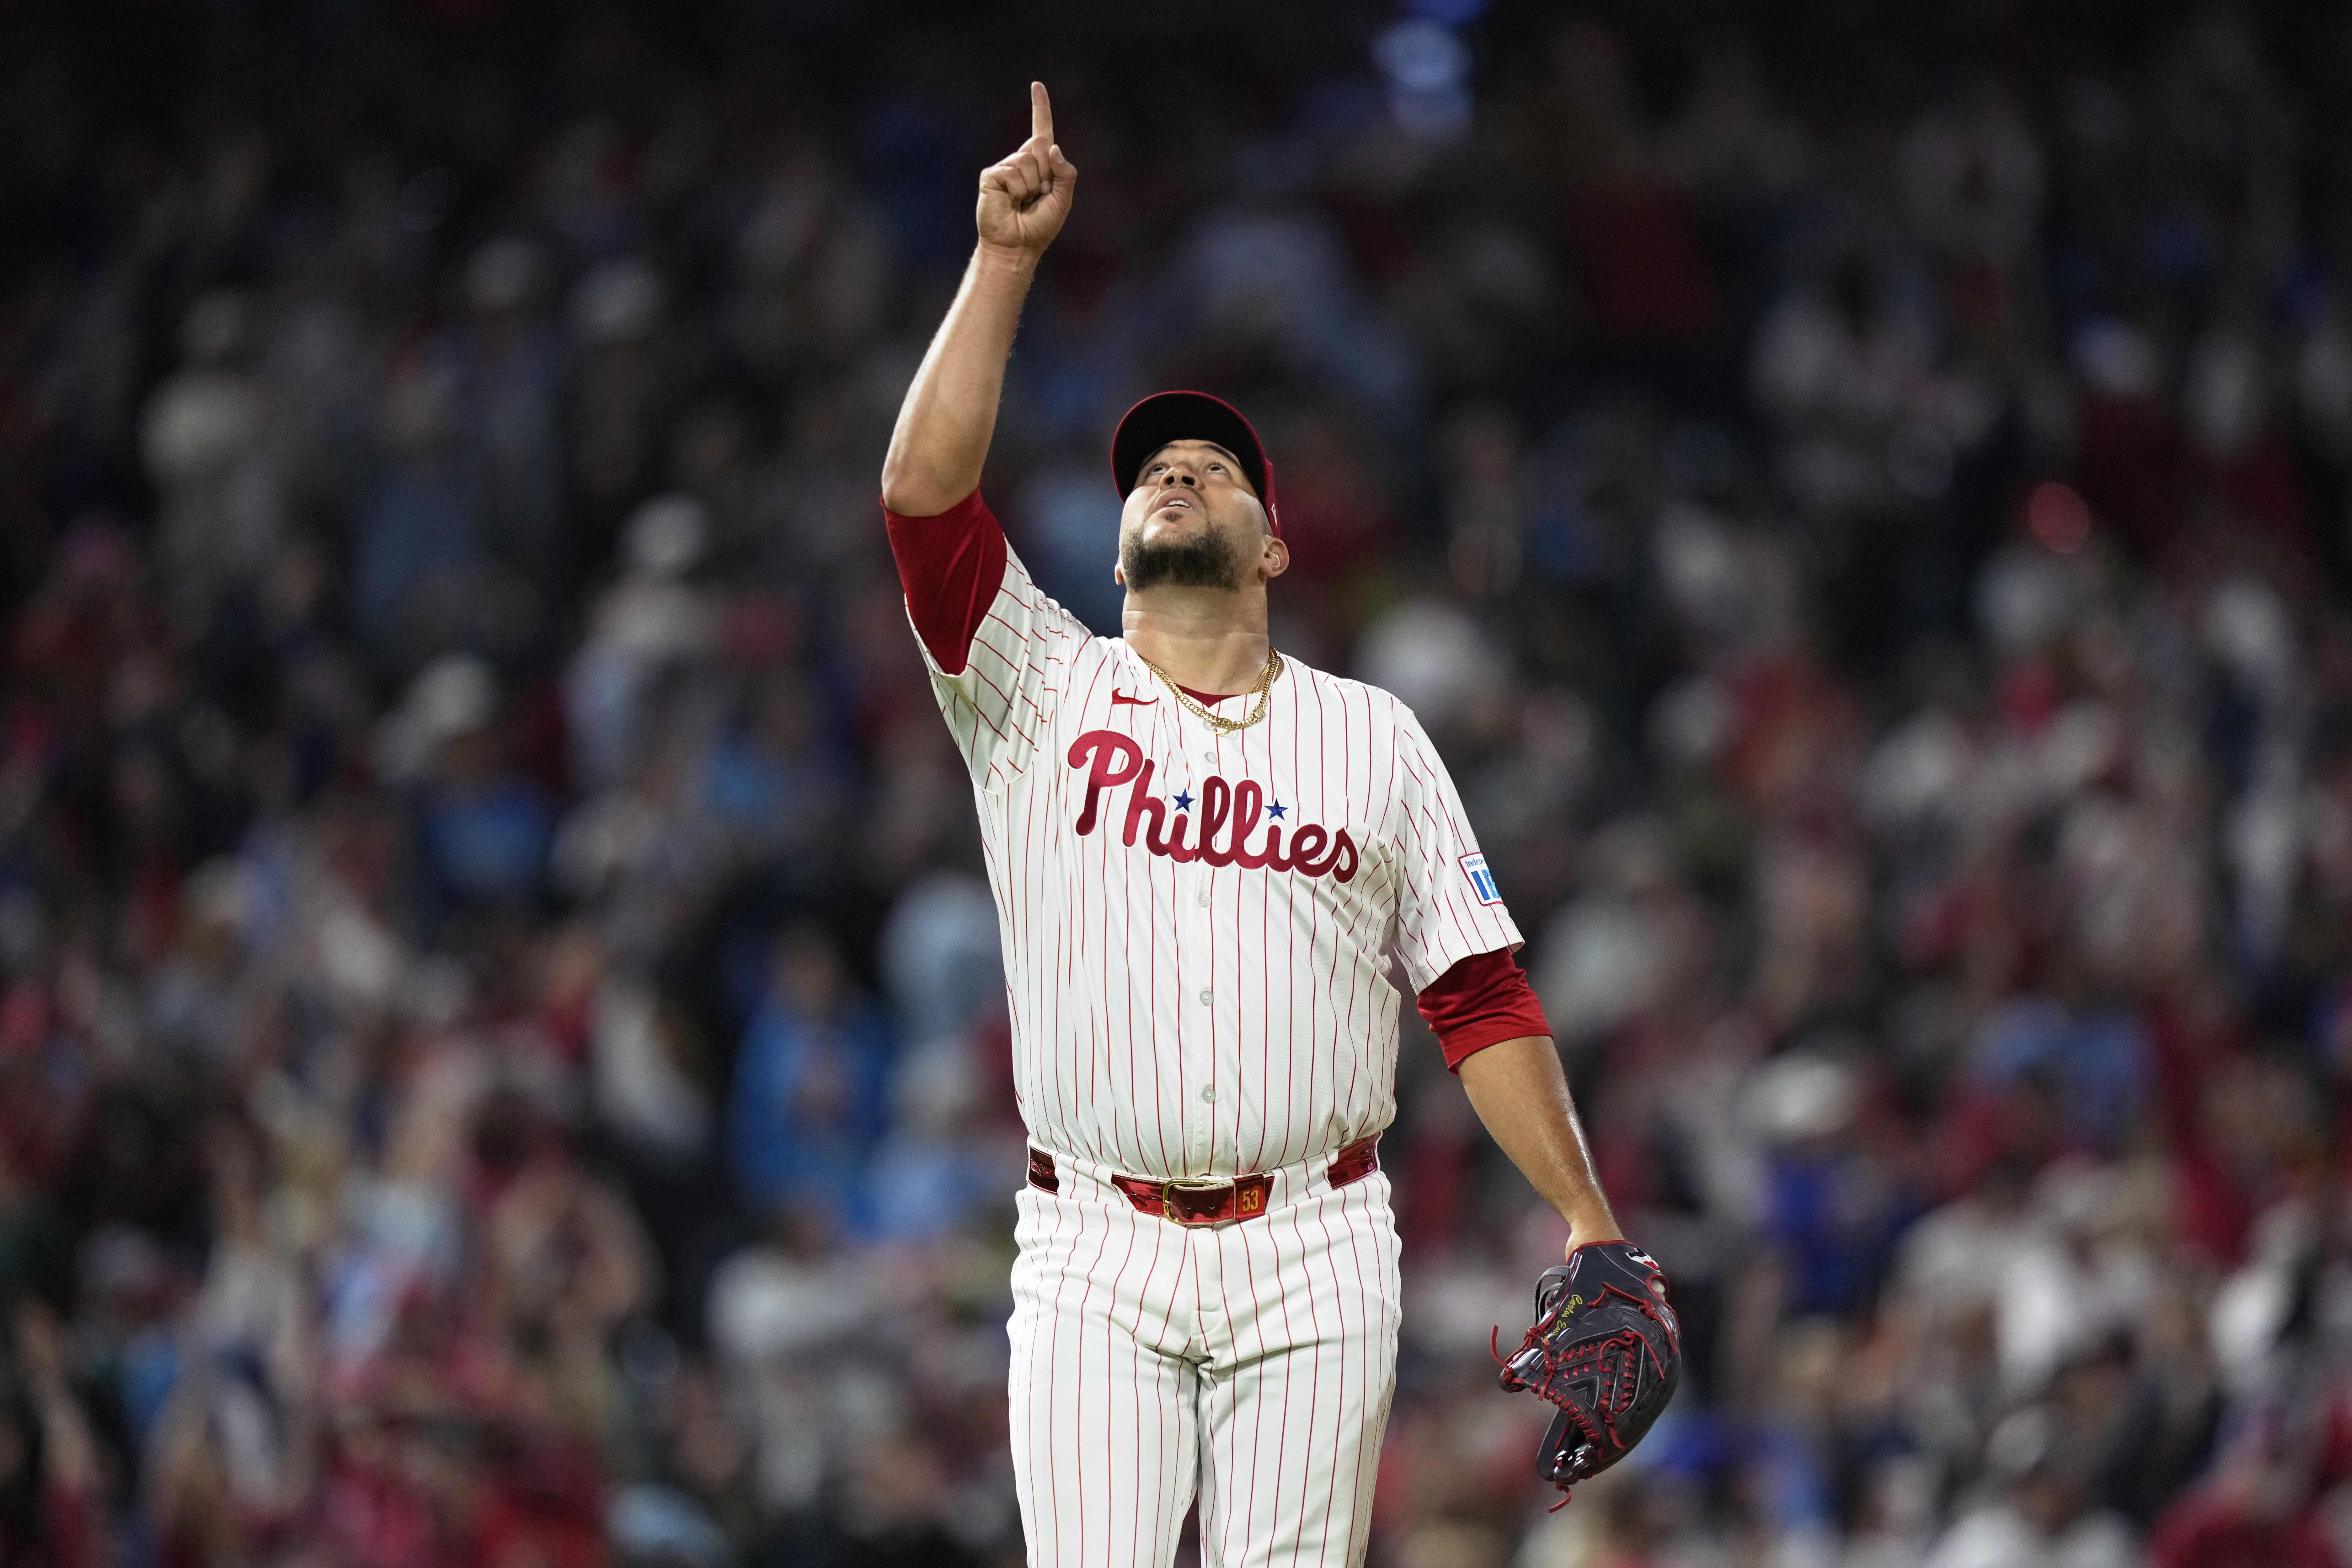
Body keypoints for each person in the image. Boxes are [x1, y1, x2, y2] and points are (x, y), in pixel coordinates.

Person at [874, 82, 1641, 1568]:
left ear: (1272, 542)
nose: (1173, 473)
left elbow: (1478, 997)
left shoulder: (1372, 733)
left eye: (1209, 467)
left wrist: (1587, 1218)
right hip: (1095, 1242)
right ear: (1114, 549)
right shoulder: (1034, 684)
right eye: (1152, 471)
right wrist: (1005, 262)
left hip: (1314, 1243)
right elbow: (919, 498)